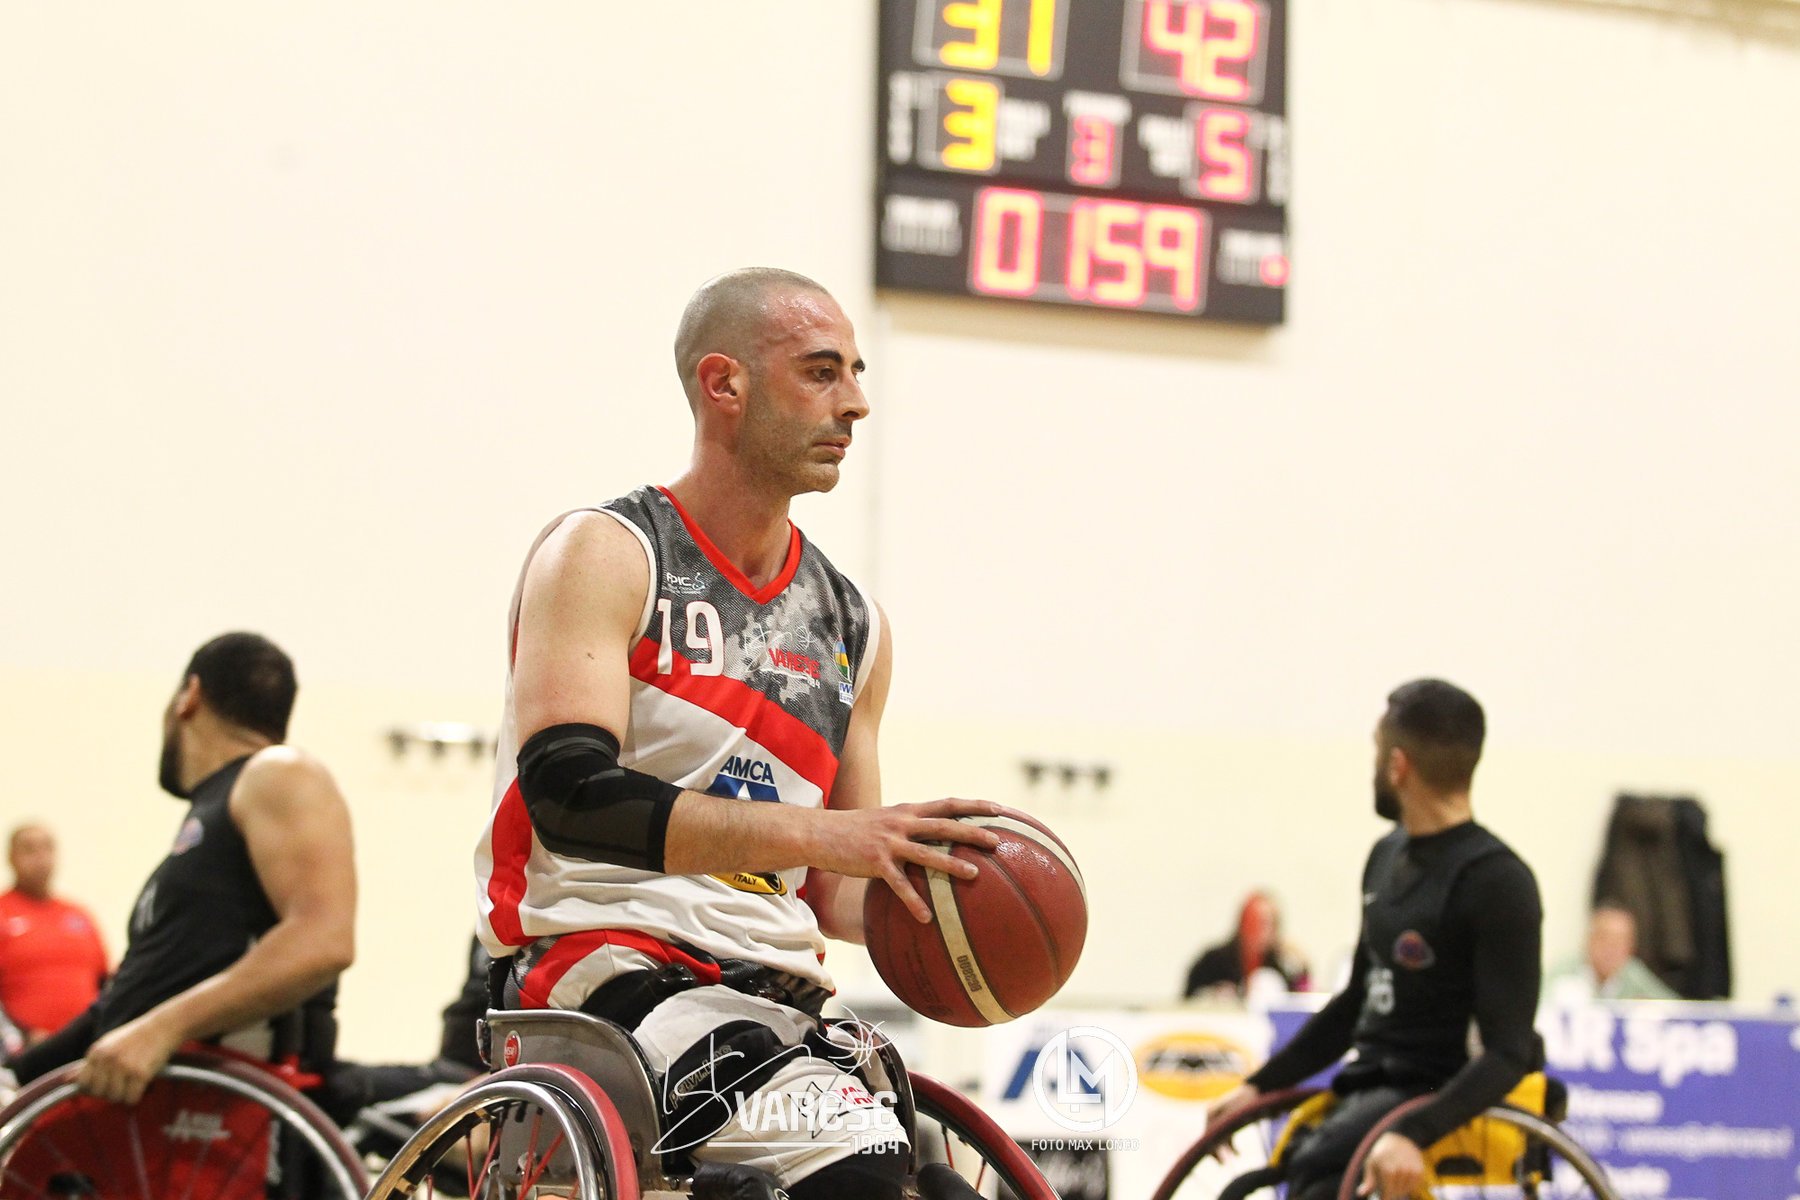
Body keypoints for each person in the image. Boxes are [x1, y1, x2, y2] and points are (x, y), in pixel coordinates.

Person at [473, 268, 1003, 1200]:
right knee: (856, 1168)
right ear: (724, 384)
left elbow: (836, 888)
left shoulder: (854, 624)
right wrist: (826, 835)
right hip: (604, 960)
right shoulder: (606, 552)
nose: (856, 402)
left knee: (947, 1185)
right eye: (822, 372)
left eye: (857, 373)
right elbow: (570, 799)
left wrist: (954, 909)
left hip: (777, 989)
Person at [1206, 680, 1543, 1200]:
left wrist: (1412, 1133)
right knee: (1250, 1184)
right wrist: (1259, 1085)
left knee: (1319, 1171)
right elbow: (1355, 1003)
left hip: (1436, 1092)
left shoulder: (1497, 880)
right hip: (1369, 1087)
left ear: (1398, 765)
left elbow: (1507, 1053)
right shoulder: (1385, 858)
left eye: (1377, 752)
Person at [5, 632, 356, 1106]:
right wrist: (18, 1075)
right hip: (135, 1100)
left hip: (219, 1110)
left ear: (190, 695)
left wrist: (160, 1029)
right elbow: (122, 1002)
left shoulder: (277, 772)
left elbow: (322, 941)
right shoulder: (214, 815)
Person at [0, 824, 109, 1048]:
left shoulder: (79, 915)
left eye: (47, 848)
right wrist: (22, 1035)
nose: (40, 858)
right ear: (11, 857)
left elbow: (104, 981)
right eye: (29, 849)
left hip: (85, 1046)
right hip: (24, 1050)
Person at [1183, 890, 1310, 1001]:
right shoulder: (1213, 962)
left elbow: (1298, 999)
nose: (1258, 931)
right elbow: (1188, 998)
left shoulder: (1279, 964)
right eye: (1252, 921)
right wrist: (1212, 995)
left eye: (1266, 923)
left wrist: (1302, 965)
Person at [1542, 902, 1678, 1004]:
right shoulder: (1563, 971)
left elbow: (1676, 1008)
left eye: (1620, 941)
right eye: (1605, 937)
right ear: (1589, 940)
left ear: (1631, 948)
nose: (1611, 948)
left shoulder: (1633, 975)